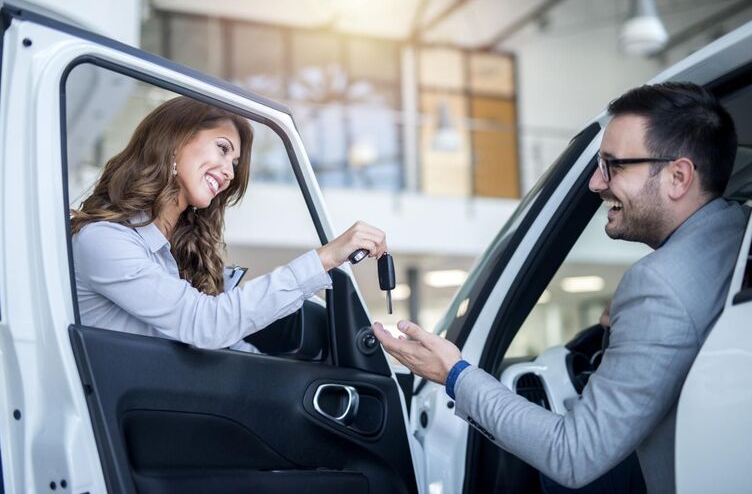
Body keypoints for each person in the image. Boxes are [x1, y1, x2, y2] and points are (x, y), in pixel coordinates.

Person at [373, 82, 749, 493]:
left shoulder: (656, 284)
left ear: (678, 177)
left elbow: (575, 454)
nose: (595, 184)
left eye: (614, 165)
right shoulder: (737, 235)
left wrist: (454, 373)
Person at [70, 95, 387, 349]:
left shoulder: (176, 252)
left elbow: (223, 345)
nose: (230, 173)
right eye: (222, 149)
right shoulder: (104, 240)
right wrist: (326, 258)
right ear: (174, 141)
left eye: (234, 163)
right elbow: (204, 324)